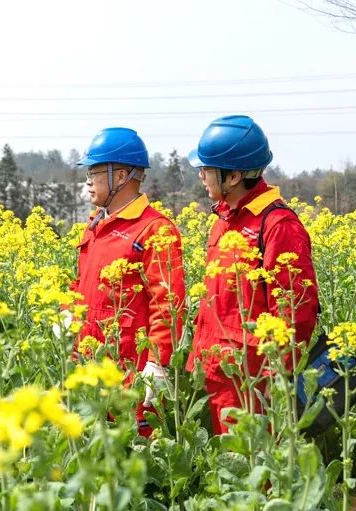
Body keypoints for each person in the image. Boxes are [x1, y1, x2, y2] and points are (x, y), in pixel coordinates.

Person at [185, 115, 319, 435]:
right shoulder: (224, 220)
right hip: (220, 373)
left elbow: (295, 312)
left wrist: (277, 378)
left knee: (255, 463)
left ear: (233, 176)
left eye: (207, 168)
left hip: (254, 382)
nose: (201, 175)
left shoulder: (277, 225)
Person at [72, 127, 186, 437]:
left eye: (94, 173)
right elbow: (83, 284)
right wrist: (68, 314)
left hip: (131, 372)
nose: (87, 181)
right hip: (91, 365)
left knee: (133, 455)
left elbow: (168, 304)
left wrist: (158, 363)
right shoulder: (95, 224)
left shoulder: (155, 230)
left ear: (120, 176)